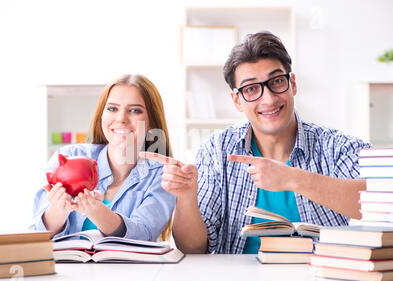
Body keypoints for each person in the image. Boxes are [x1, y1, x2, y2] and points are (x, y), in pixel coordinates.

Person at [141, 31, 371, 254]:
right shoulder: (217, 150)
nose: (268, 99)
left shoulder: (338, 147)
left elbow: (383, 204)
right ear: (237, 100)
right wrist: (186, 197)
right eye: (251, 89)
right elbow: (193, 248)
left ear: (293, 84)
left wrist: (293, 178)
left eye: (277, 81)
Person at [31, 74, 175, 242]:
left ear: (152, 124)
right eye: (112, 109)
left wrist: (97, 212)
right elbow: (35, 234)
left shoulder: (162, 176)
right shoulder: (68, 157)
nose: (121, 119)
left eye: (135, 110)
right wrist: (58, 210)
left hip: (129, 269)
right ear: (102, 116)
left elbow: (144, 234)